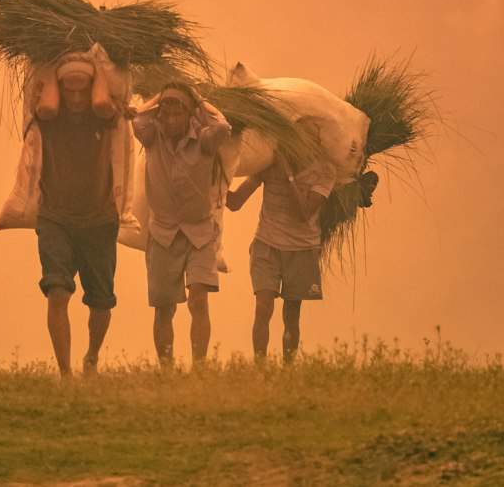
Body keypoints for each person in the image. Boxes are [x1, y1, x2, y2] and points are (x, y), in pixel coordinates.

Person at [227, 120, 360, 362]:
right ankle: (261, 369)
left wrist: (288, 175)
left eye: (309, 140)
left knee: (291, 314)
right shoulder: (268, 164)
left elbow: (304, 212)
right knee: (263, 307)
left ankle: (287, 371)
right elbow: (235, 202)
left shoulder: (324, 171)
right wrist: (214, 175)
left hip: (302, 249)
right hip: (266, 243)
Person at [33, 43, 120, 376]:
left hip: (100, 220)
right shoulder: (50, 118)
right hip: (56, 217)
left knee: (101, 302)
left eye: (82, 87)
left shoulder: (105, 114)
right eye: (68, 88)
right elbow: (48, 109)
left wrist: (92, 67)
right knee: (57, 291)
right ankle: (65, 373)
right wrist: (61, 69)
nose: (76, 96)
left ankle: (92, 358)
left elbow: (100, 101)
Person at [132, 84, 231, 365]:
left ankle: (199, 367)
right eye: (167, 113)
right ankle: (167, 369)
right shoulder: (152, 137)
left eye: (179, 113)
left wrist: (197, 99)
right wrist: (161, 95)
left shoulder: (204, 139)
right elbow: (138, 118)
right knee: (164, 309)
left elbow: (223, 128)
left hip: (199, 234)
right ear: (161, 115)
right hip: (162, 234)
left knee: (198, 301)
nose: (173, 120)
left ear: (190, 115)